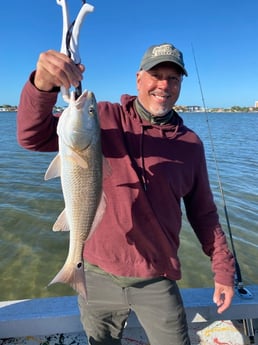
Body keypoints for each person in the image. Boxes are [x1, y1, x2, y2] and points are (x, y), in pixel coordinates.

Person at [17, 42, 235, 345]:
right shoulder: (103, 117)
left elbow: (203, 214)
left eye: (173, 78)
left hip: (157, 277)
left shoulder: (190, 144)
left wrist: (223, 269)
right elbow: (32, 136)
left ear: (181, 84)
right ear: (138, 78)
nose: (164, 85)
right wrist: (42, 86)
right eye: (156, 74)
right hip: (95, 274)